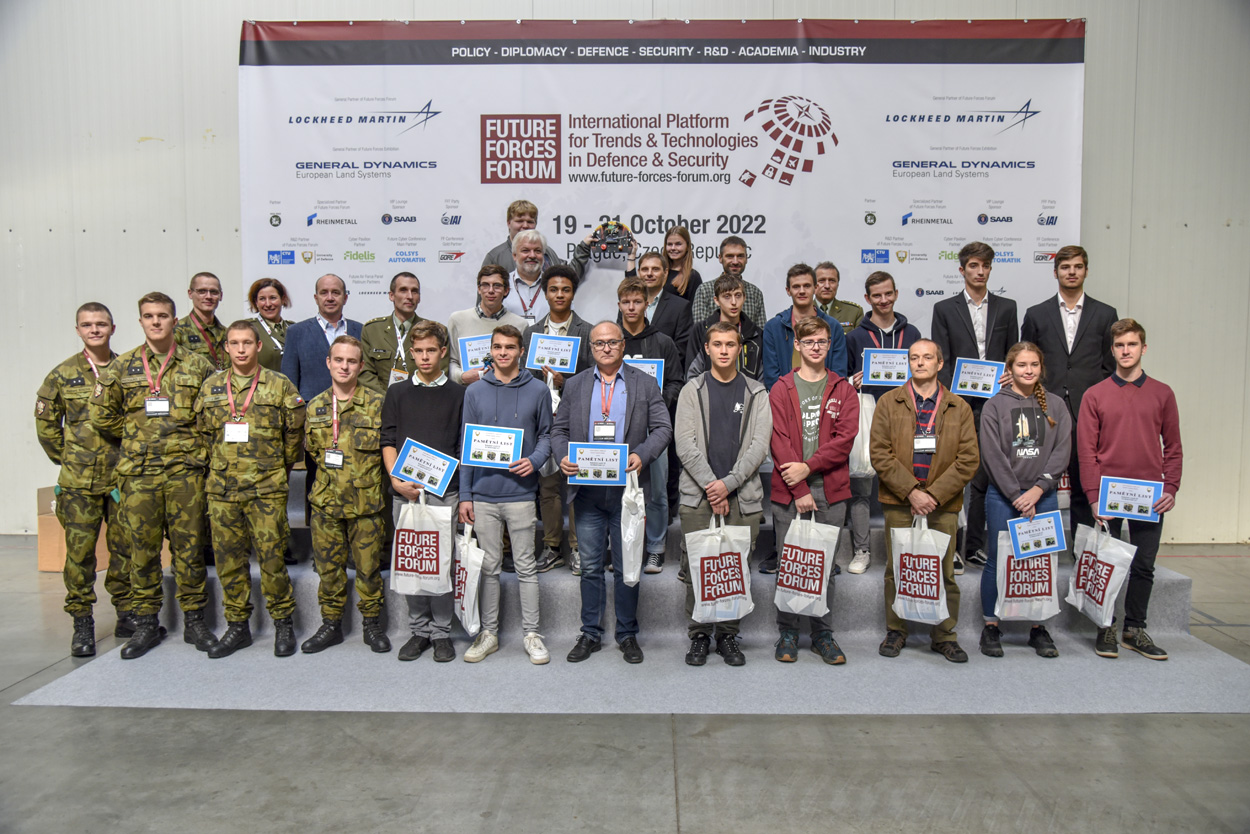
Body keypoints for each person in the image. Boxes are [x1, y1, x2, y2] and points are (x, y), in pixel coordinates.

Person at [89, 292, 218, 659]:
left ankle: (195, 621)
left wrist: (191, 445)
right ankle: (146, 623)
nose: (156, 322)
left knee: (189, 549)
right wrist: (135, 435)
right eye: (149, 316)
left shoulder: (199, 366)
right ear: (141, 321)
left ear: (174, 321)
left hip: (184, 473)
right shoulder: (122, 366)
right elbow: (101, 414)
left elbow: (213, 416)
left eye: (162, 315)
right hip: (139, 474)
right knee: (141, 551)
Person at [555, 321, 673, 665]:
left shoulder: (644, 383)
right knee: (591, 567)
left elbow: (663, 428)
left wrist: (643, 454)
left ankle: (627, 633)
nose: (605, 348)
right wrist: (562, 456)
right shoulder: (575, 385)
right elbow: (559, 430)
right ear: (591, 348)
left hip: (627, 493)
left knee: (627, 568)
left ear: (623, 345)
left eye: (612, 342)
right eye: (598, 343)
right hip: (588, 493)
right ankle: (590, 633)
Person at [195, 321, 305, 658]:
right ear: (226, 347)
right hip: (223, 490)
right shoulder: (212, 386)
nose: (241, 349)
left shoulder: (279, 385)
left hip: (266, 489)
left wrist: (277, 468)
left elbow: (293, 436)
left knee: (272, 559)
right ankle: (237, 625)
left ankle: (282, 623)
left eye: (247, 343)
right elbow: (203, 434)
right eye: (234, 343)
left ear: (258, 346)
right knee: (229, 561)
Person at [1078, 318, 1182, 661]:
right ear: (1112, 350)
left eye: (1132, 344)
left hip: (1149, 496)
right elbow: (1086, 452)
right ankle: (1105, 626)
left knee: (1143, 566)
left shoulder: (1163, 393)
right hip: (1109, 494)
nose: (1126, 351)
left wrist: (1171, 487)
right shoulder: (1095, 395)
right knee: (1107, 564)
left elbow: (1174, 447)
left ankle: (1134, 629)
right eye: (1120, 345)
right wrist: (1093, 497)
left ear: (1143, 348)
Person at [870, 339, 979, 663]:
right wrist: (911, 492)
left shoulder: (959, 407)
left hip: (942, 504)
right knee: (897, 569)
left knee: (944, 572)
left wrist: (932, 495)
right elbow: (879, 453)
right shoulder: (889, 402)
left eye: (927, 357)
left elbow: (968, 459)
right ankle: (896, 630)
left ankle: (944, 635)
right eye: (914, 357)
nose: (920, 363)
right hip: (900, 501)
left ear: (940, 363)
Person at [35, 302, 133, 657]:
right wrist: (69, 457)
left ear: (113, 328)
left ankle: (126, 614)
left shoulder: (128, 370)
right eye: (87, 325)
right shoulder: (62, 374)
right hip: (79, 482)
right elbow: (47, 425)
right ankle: (82, 623)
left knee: (126, 549)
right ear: (78, 330)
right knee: (80, 555)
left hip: (121, 477)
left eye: (101, 324)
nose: (94, 330)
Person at [674, 322, 772, 666]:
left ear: (740, 348)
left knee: (735, 568)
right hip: (698, 496)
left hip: (742, 496)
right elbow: (684, 444)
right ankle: (699, 634)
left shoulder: (757, 393)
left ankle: (728, 634)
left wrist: (728, 484)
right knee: (696, 567)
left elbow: (759, 446)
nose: (724, 350)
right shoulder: (692, 390)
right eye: (717, 344)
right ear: (707, 348)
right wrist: (711, 486)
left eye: (731, 344)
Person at [458, 325, 553, 664]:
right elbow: (466, 443)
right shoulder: (474, 391)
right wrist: (465, 494)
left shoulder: (538, 390)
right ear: (491, 350)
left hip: (521, 494)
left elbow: (547, 435)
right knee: (489, 568)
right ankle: (489, 634)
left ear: (521, 351)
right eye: (497, 347)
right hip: (483, 494)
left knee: (526, 566)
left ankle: (532, 634)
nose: (503, 353)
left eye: (509, 347)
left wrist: (535, 460)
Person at [769, 317, 858, 664]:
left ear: (829, 344)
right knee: (788, 564)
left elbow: (844, 441)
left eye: (821, 341)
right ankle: (788, 632)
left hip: (831, 491)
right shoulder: (781, 388)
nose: (816, 347)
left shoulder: (843, 389)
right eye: (809, 342)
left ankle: (822, 633)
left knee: (826, 566)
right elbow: (779, 441)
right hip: (790, 491)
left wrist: (808, 468)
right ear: (797, 345)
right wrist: (801, 486)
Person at [977, 342, 1072, 659]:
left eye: (1033, 365)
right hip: (1004, 497)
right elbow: (992, 456)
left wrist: (1038, 490)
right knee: (997, 560)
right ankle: (991, 625)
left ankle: (1038, 627)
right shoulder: (994, 406)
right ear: (1010, 369)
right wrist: (1017, 495)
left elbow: (1061, 451)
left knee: (1040, 561)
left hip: (1042, 496)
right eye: (1021, 365)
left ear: (1041, 368)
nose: (1028, 370)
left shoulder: (1056, 405)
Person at [930, 242, 1018, 573]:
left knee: (983, 476)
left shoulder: (1007, 307)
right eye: (973, 266)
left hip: (996, 404)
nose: (980, 271)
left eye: (985, 266)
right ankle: (951, 546)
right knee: (951, 474)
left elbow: (1012, 355)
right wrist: (954, 397)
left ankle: (975, 546)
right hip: (957, 403)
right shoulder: (944, 308)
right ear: (962, 269)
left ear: (991, 269)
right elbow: (942, 360)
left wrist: (1009, 374)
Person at [300, 336, 391, 655]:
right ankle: (331, 624)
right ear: (328, 363)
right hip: (326, 504)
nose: (344, 366)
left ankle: (372, 623)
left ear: (361, 366)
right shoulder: (315, 405)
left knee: (369, 569)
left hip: (366, 504)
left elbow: (388, 449)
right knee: (329, 570)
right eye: (338, 360)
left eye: (351, 361)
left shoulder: (379, 403)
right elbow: (313, 452)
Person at [381, 320, 465, 663]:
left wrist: (454, 486)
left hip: (445, 492)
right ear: (411, 353)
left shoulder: (459, 394)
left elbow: (462, 446)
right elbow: (388, 439)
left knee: (441, 562)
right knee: (411, 561)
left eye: (432, 350)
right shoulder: (397, 392)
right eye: (419, 351)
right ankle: (418, 630)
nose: (425, 357)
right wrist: (395, 479)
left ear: (443, 352)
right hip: (405, 490)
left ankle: (442, 632)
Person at [1020, 245, 1118, 534]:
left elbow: (1109, 365)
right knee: (1036, 478)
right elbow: (1027, 361)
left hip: (1087, 410)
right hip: (1043, 409)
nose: (1071, 272)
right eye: (1065, 267)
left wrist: (1095, 398)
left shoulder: (1105, 314)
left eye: (1077, 266)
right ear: (1055, 272)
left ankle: (1081, 549)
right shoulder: (1036, 314)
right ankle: (1036, 545)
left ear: (1086, 271)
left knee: (1083, 482)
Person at [844, 271, 923, 574]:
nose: (883, 300)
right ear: (867, 298)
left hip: (906, 417)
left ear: (896, 294)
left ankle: (905, 550)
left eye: (888, 293)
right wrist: (853, 380)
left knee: (906, 482)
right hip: (868, 416)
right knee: (861, 485)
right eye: (877, 295)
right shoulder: (855, 337)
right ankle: (862, 549)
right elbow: (841, 377)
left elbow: (924, 371)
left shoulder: (912, 333)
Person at [523, 265, 594, 576]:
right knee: (548, 484)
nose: (560, 294)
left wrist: (568, 382)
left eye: (565, 289)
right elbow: (523, 377)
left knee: (576, 482)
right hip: (542, 418)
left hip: (575, 417)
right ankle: (552, 547)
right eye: (554, 289)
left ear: (573, 293)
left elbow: (595, 377)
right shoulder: (531, 333)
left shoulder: (587, 331)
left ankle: (578, 548)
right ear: (545, 293)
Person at [283, 274, 366, 523]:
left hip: (356, 419)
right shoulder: (296, 332)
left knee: (356, 478)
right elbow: (289, 384)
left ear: (345, 297)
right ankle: (316, 534)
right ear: (316, 297)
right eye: (324, 292)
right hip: (316, 423)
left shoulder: (361, 330)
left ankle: (354, 531)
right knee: (317, 479)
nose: (330, 297)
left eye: (336, 292)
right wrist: (298, 426)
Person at [617, 277, 684, 573]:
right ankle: (622, 546)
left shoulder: (663, 342)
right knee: (619, 490)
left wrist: (657, 403)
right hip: (617, 427)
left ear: (647, 304)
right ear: (619, 305)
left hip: (653, 429)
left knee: (656, 492)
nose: (631, 307)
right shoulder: (610, 339)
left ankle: (656, 548)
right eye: (626, 302)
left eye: (637, 302)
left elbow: (676, 381)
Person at [762, 263, 848, 400]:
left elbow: (839, 373)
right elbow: (771, 376)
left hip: (824, 401)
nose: (802, 291)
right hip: (786, 402)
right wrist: (787, 401)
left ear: (815, 288)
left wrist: (823, 402)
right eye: (796, 286)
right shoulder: (774, 327)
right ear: (788, 290)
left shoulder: (833, 326)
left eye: (807, 286)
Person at [359, 271, 446, 392]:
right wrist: (388, 399)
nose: (410, 296)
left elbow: (440, 373)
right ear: (391, 295)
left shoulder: (435, 331)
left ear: (419, 297)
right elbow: (365, 373)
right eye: (403, 290)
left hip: (421, 399)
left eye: (414, 291)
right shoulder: (372, 330)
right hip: (381, 401)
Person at [446, 265, 527, 385]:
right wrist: (462, 376)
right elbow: (450, 361)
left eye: (497, 286)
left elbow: (522, 365)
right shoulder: (457, 319)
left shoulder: (520, 324)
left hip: (507, 390)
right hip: (467, 390)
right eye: (485, 285)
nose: (490, 291)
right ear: (479, 289)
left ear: (506, 290)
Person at [685, 273, 765, 381]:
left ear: (744, 298)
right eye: (727, 296)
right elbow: (692, 376)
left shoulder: (755, 334)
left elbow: (762, 379)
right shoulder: (701, 331)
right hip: (708, 391)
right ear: (716, 300)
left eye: (738, 295)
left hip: (748, 391)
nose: (734, 302)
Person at [632, 249, 693, 365]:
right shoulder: (628, 305)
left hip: (666, 372)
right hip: (631, 371)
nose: (649, 273)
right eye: (645, 269)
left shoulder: (680, 306)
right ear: (639, 272)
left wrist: (656, 368)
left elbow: (682, 348)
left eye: (655, 269)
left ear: (665, 273)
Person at [689, 236, 767, 327]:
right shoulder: (705, 290)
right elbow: (700, 331)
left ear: (746, 258)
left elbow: (761, 332)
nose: (735, 261)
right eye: (730, 256)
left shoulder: (755, 293)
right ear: (720, 258)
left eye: (740, 256)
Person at [481, 199, 565, 273]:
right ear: (509, 223)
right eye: (519, 221)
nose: (525, 226)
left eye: (530, 222)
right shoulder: (495, 257)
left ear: (535, 224)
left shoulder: (548, 252)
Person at [174, 272, 227, 371]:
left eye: (214, 292)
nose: (208, 296)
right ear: (190, 293)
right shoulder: (177, 331)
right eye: (202, 291)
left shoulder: (227, 333)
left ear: (221, 296)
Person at [247, 278, 295, 373]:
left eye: (273, 298)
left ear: (283, 299)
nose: (268, 304)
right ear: (256, 302)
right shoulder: (248, 329)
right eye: (262, 299)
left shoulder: (295, 328)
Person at [814, 261, 863, 335]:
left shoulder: (854, 312)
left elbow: (858, 340)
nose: (827, 286)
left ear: (837, 284)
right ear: (813, 284)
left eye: (832, 281)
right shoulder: (803, 311)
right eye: (821, 281)